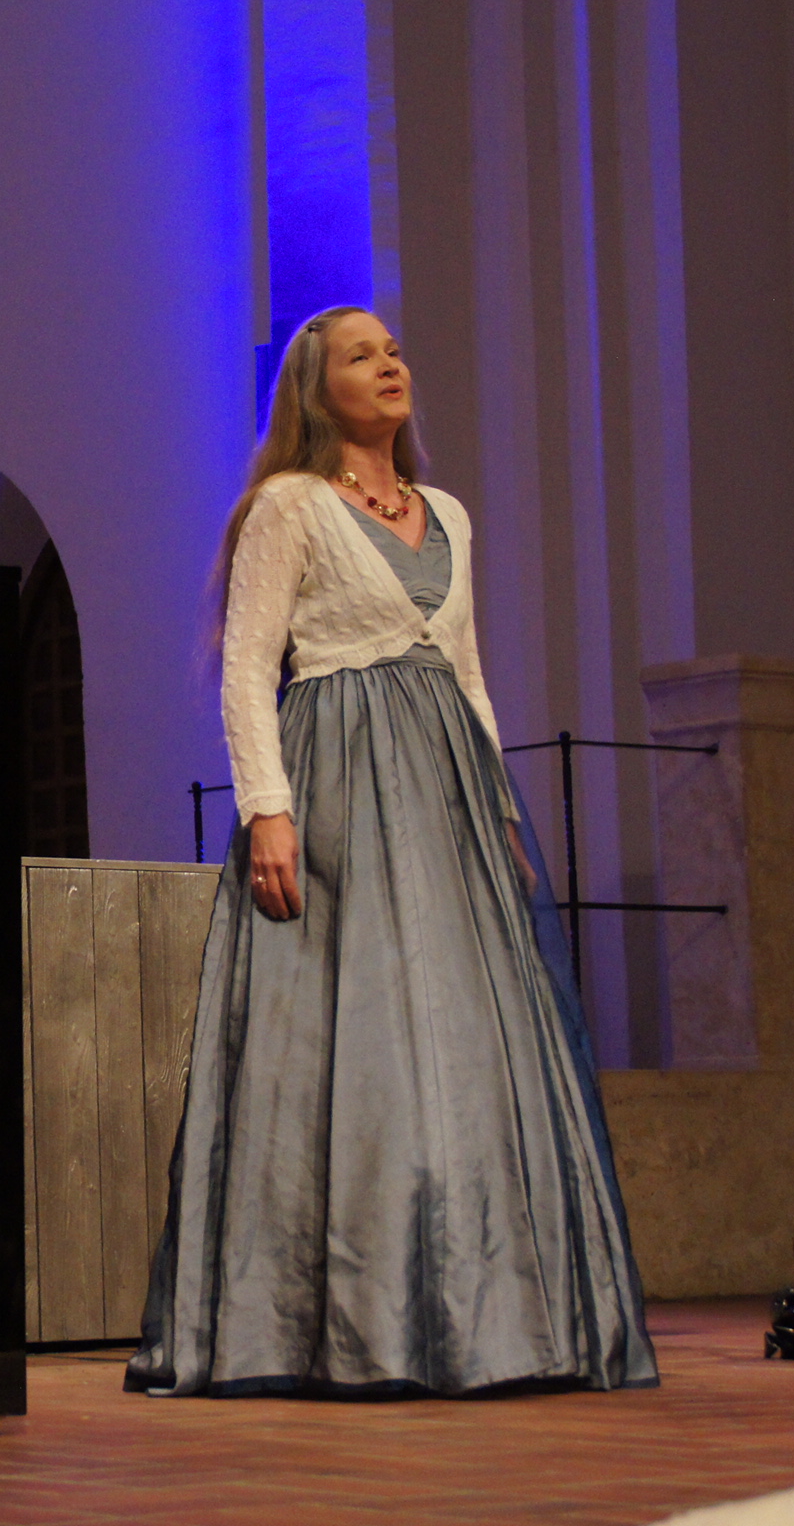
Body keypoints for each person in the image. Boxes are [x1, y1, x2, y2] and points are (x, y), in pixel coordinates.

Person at [127, 307, 657, 1399]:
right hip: (340, 778)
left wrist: (499, 809)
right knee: (359, 1031)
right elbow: (248, 669)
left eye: (396, 349)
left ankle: (496, 1314)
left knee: (471, 1035)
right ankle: (353, 1321)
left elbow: (468, 675)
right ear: (317, 389)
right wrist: (267, 810)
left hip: (448, 786)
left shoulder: (447, 512)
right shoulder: (289, 506)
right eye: (362, 355)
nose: (390, 364)